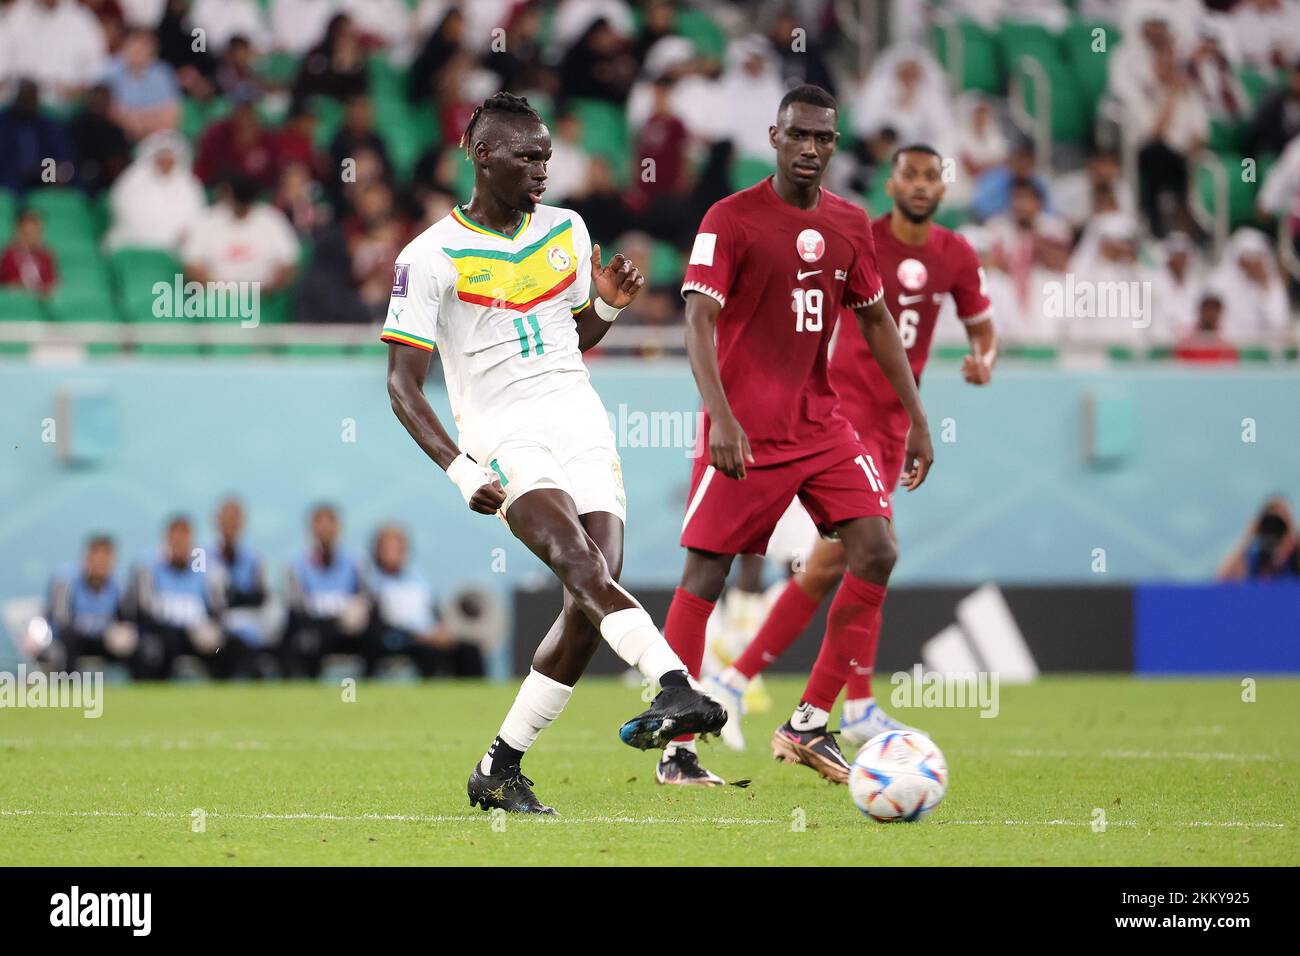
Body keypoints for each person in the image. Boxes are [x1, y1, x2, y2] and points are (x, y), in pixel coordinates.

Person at [381, 91, 723, 814]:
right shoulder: (428, 256)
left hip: (581, 419)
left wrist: (604, 307)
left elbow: (572, 338)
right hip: (503, 434)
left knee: (592, 591)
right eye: (525, 155)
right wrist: (459, 467)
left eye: (546, 154)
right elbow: (402, 386)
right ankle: (672, 684)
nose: (542, 167)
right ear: (480, 156)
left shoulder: (568, 231)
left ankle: (498, 766)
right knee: (578, 562)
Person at [655, 85, 934, 787]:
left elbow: (876, 323)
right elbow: (696, 321)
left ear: (835, 145)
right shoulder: (731, 217)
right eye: (799, 136)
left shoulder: (849, 224)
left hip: (820, 424)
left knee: (876, 549)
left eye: (824, 139)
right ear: (775, 137)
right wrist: (719, 414)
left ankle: (809, 721)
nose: (811, 149)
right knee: (707, 575)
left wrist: (918, 415)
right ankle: (679, 750)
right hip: (743, 431)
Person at [704, 142, 995, 755]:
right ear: (891, 184)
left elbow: (981, 324)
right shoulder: (859, 233)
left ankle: (743, 684)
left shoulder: (956, 254)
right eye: (909, 174)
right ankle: (818, 701)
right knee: (862, 553)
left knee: (843, 562)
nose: (919, 185)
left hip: (893, 426)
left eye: (930, 176)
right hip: (844, 413)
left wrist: (982, 357)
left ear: (943, 189)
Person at [367, 524, 484, 678]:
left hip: (431, 634)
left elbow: (433, 608)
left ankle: (474, 700)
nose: (396, 553)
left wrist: (442, 629)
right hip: (401, 639)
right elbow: (382, 623)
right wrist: (420, 636)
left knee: (470, 651)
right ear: (379, 551)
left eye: (400, 548)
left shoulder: (417, 576)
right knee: (429, 653)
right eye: (390, 549)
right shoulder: (373, 580)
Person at [123, 515, 227, 679]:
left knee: (223, 646)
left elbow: (217, 609)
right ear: (167, 540)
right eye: (176, 539)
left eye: (185, 539)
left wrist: (209, 626)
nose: (181, 544)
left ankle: (224, 689)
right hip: (161, 634)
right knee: (156, 647)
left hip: (197, 635)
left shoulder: (206, 570)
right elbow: (143, 610)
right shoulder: (148, 568)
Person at [282, 503, 373, 677]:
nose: (325, 531)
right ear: (312, 529)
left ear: (338, 528)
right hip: (314, 626)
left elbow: (366, 597)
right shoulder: (297, 565)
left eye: (329, 524)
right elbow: (296, 605)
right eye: (319, 525)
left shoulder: (355, 561)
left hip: (347, 628)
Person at [44, 535, 135, 673]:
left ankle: (139, 687)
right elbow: (61, 621)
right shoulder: (66, 581)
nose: (101, 564)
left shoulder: (118, 584)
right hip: (70, 639)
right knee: (69, 640)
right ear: (87, 558)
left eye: (106, 559)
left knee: (131, 641)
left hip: (102, 639)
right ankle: (69, 686)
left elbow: (124, 619)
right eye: (97, 559)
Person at [209, 496, 270, 678]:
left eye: (234, 518)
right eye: (226, 518)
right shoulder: (202, 556)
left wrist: (232, 595)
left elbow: (259, 597)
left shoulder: (254, 558)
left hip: (247, 631)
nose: (230, 524)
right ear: (217, 521)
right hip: (216, 633)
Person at [1218, 497, 1300, 580]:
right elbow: (1223, 578)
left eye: (1281, 522)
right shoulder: (1257, 557)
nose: (1275, 526)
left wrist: (1291, 532)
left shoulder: (1295, 556)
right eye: (1270, 522)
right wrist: (1248, 536)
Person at [0, 208, 58, 297]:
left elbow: (53, 283)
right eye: (29, 233)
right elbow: (5, 284)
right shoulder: (8, 255)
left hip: (41, 302)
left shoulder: (46, 255)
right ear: (19, 231)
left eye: (38, 232)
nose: (35, 236)